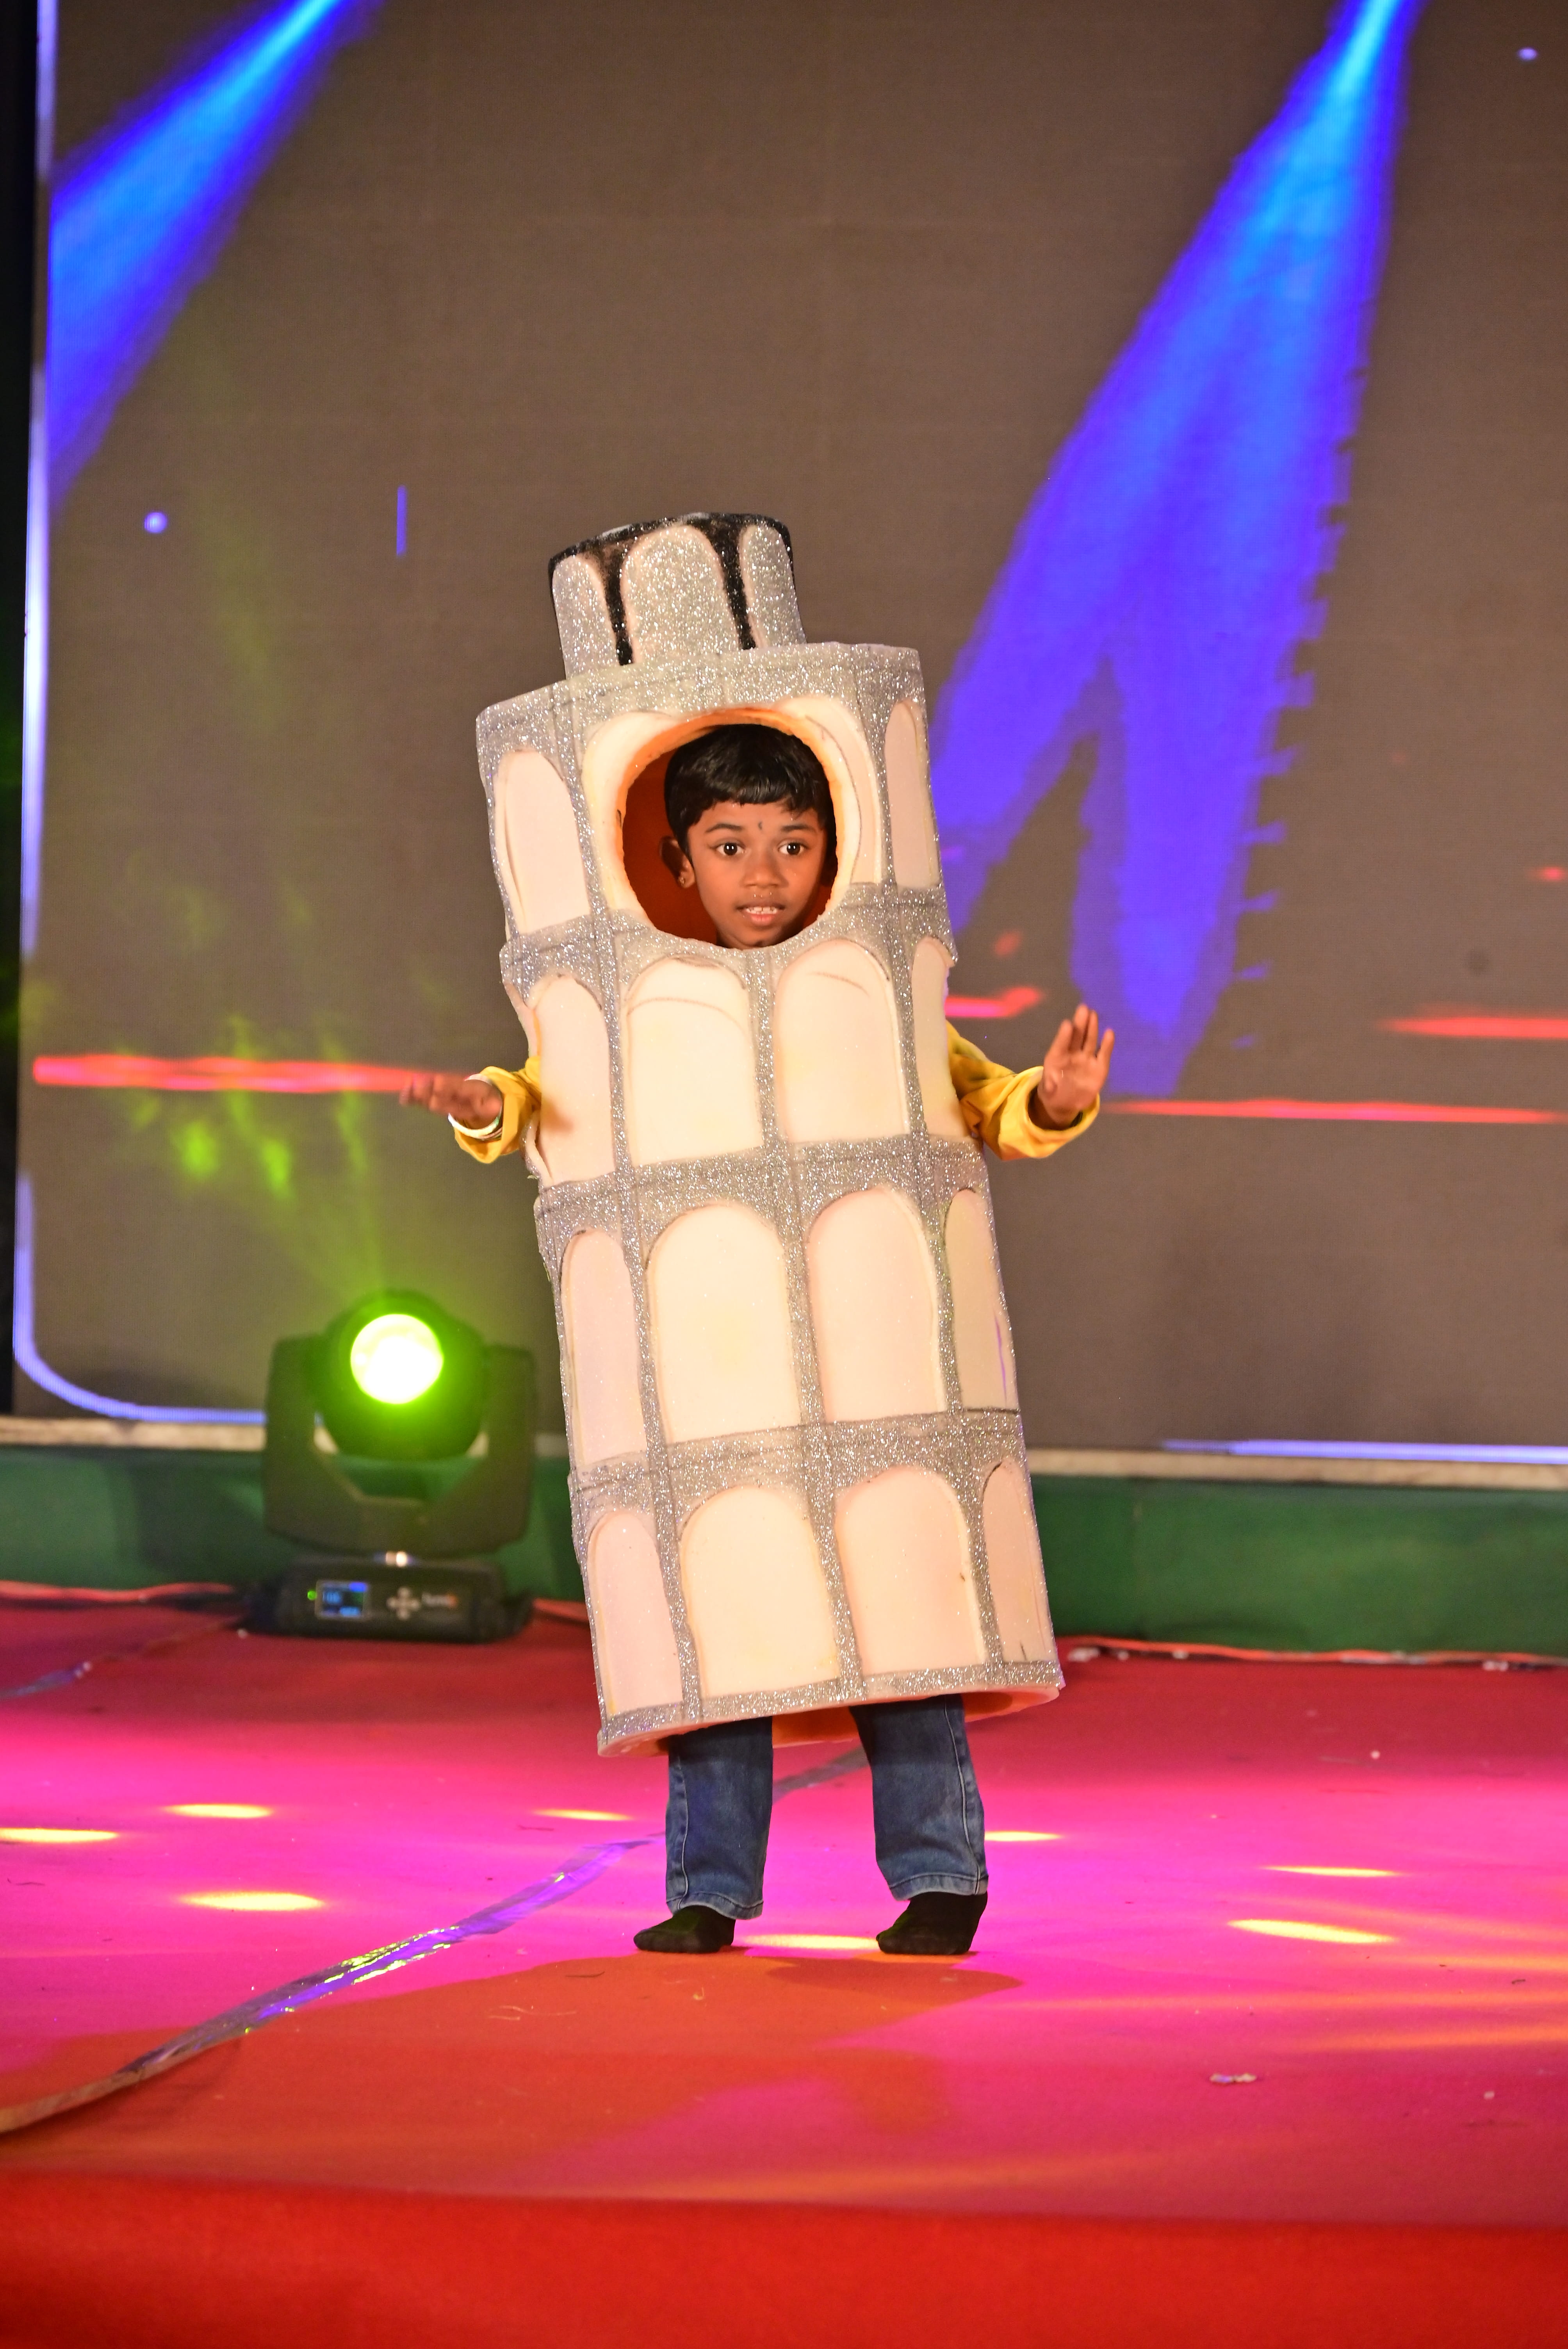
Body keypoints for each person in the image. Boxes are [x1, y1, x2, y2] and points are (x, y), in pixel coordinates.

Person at [403, 724, 1112, 1958]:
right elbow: (545, 1094)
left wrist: (1049, 1100)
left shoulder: (874, 996)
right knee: (720, 1632)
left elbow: (984, 1102)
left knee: (905, 1625)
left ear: (832, 853)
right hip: (718, 1374)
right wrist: (485, 1105)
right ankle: (708, 1891)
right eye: (731, 847)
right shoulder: (634, 1003)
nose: (766, 874)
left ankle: (941, 1875)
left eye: (793, 843)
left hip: (866, 1369)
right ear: (680, 862)